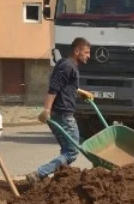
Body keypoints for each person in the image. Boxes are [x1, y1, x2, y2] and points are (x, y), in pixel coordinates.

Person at [27, 37, 93, 183]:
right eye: (86, 52)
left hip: (61, 114)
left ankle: (58, 180)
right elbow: (54, 88)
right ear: (77, 51)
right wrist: (47, 110)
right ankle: (39, 174)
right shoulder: (67, 66)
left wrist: (78, 91)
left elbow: (64, 86)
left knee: (66, 151)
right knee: (72, 152)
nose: (89, 56)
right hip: (64, 115)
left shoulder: (67, 65)